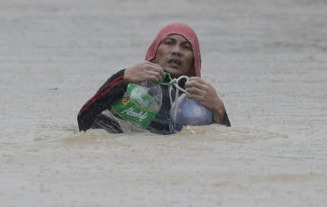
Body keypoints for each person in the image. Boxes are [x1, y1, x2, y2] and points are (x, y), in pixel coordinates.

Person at [77, 23, 230, 134]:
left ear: (194, 62)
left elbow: (223, 146)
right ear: (154, 54)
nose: (176, 51)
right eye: (169, 43)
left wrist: (220, 110)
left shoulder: (200, 101)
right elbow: (83, 121)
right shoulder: (128, 84)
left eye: (186, 47)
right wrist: (122, 77)